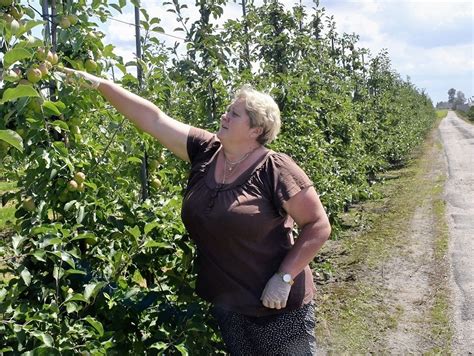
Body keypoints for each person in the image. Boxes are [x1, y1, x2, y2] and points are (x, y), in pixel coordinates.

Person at [61, 68, 332, 355]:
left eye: (234, 114)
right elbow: (153, 119)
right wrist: (100, 85)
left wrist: (285, 276)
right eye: (227, 111)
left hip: (277, 305)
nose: (224, 117)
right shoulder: (206, 150)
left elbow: (318, 224)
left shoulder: (274, 168)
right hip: (230, 304)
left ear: (256, 130)